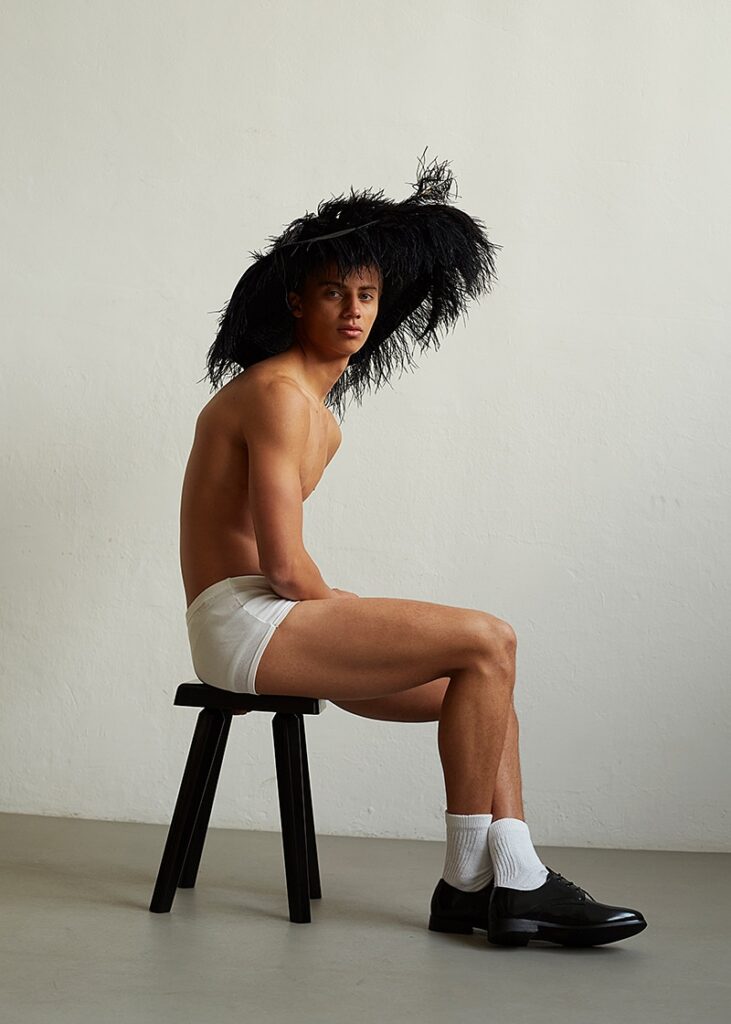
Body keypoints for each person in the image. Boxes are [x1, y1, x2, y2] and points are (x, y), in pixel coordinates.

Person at [179, 152, 647, 947]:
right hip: (243, 626)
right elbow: (283, 567)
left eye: (365, 294)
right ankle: (477, 882)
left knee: (486, 690)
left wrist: (334, 606)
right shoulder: (277, 394)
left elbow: (280, 565)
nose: (353, 310)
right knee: (489, 637)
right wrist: (335, 604)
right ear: (297, 302)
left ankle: (501, 880)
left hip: (270, 618)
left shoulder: (320, 417)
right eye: (333, 292)